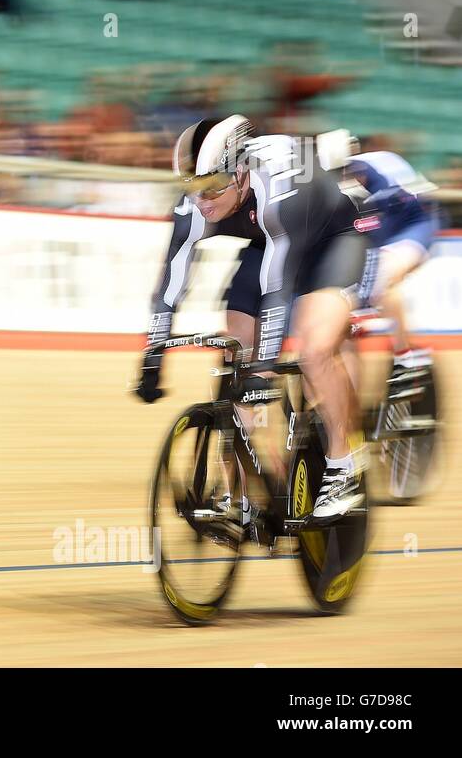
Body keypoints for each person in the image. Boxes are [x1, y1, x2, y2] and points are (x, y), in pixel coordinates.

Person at [135, 116, 374, 525]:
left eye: (212, 188)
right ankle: (241, 487)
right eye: (193, 188)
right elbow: (171, 282)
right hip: (270, 244)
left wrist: (263, 371)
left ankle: (343, 466)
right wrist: (153, 357)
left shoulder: (276, 194)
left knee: (314, 351)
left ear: (242, 174)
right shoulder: (196, 201)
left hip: (334, 240)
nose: (203, 202)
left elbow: (277, 290)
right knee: (234, 349)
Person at [317, 130, 441, 380]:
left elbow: (370, 241)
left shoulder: (381, 173)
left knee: (384, 272)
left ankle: (407, 354)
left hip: (415, 225)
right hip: (384, 227)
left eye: (343, 171)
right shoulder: (339, 183)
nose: (339, 179)